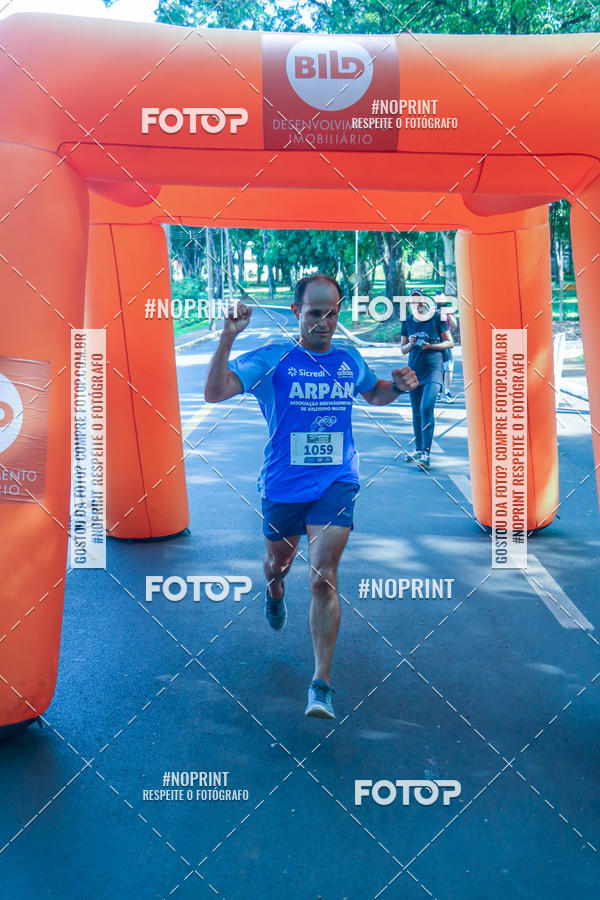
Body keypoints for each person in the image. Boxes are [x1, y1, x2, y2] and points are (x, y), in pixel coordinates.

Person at [204, 274, 417, 719]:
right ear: (297, 313)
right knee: (277, 566)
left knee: (323, 576)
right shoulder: (275, 358)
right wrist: (226, 336)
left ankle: (320, 685)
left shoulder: (348, 358)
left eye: (332, 312)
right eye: (315, 312)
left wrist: (396, 387)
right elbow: (215, 391)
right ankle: (275, 590)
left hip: (336, 482)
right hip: (283, 486)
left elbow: (373, 393)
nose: (325, 321)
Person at [400, 289, 454, 469]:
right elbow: (403, 349)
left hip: (434, 370)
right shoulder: (407, 320)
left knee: (426, 407)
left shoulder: (436, 318)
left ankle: (426, 453)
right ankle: (417, 449)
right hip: (414, 370)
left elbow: (450, 342)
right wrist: (411, 342)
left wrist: (430, 345)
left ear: (424, 301)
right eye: (412, 300)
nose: (416, 303)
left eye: (418, 299)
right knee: (416, 412)